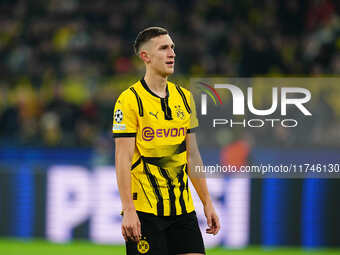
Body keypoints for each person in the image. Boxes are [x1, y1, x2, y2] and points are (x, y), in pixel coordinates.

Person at [113, 27, 220, 255]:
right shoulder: (129, 101)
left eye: (172, 47)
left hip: (182, 211)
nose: (172, 53)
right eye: (164, 48)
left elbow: (192, 155)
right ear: (146, 57)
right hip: (145, 213)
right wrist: (128, 210)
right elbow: (123, 158)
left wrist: (207, 202)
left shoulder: (184, 97)